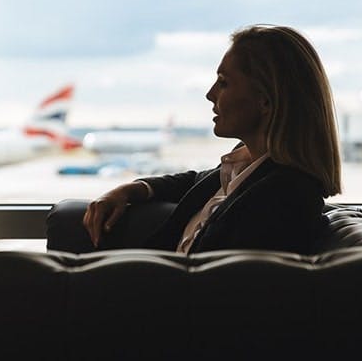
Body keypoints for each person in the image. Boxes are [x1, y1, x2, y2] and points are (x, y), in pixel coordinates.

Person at [82, 25, 342, 254]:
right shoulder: (245, 167)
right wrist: (129, 190)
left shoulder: (282, 197)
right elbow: (193, 181)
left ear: (265, 100)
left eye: (224, 83)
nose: (210, 94)